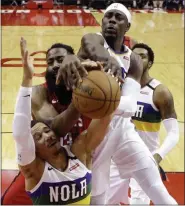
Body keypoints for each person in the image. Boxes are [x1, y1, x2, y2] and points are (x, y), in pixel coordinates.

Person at [54, 3, 178, 205]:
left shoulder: (135, 60)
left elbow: (129, 106)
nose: (111, 20)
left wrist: (100, 100)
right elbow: (95, 49)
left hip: (123, 130)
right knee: (97, 198)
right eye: (108, 16)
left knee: (158, 190)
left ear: (127, 26)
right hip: (93, 133)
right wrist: (106, 60)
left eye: (118, 17)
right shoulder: (91, 39)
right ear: (102, 21)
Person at [12, 37, 114, 205]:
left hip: (82, 159)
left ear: (73, 61)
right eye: (50, 62)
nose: (54, 66)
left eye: (61, 60)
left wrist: (101, 79)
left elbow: (92, 38)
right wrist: (82, 93)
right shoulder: (39, 94)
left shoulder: (93, 87)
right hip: (45, 168)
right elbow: (55, 128)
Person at [106, 43, 179, 205]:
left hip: (145, 156)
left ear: (150, 63)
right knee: (106, 202)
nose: (137, 58)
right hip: (118, 155)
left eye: (142, 56)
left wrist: (158, 156)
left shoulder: (160, 92)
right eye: (134, 55)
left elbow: (174, 133)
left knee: (139, 203)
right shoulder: (121, 86)